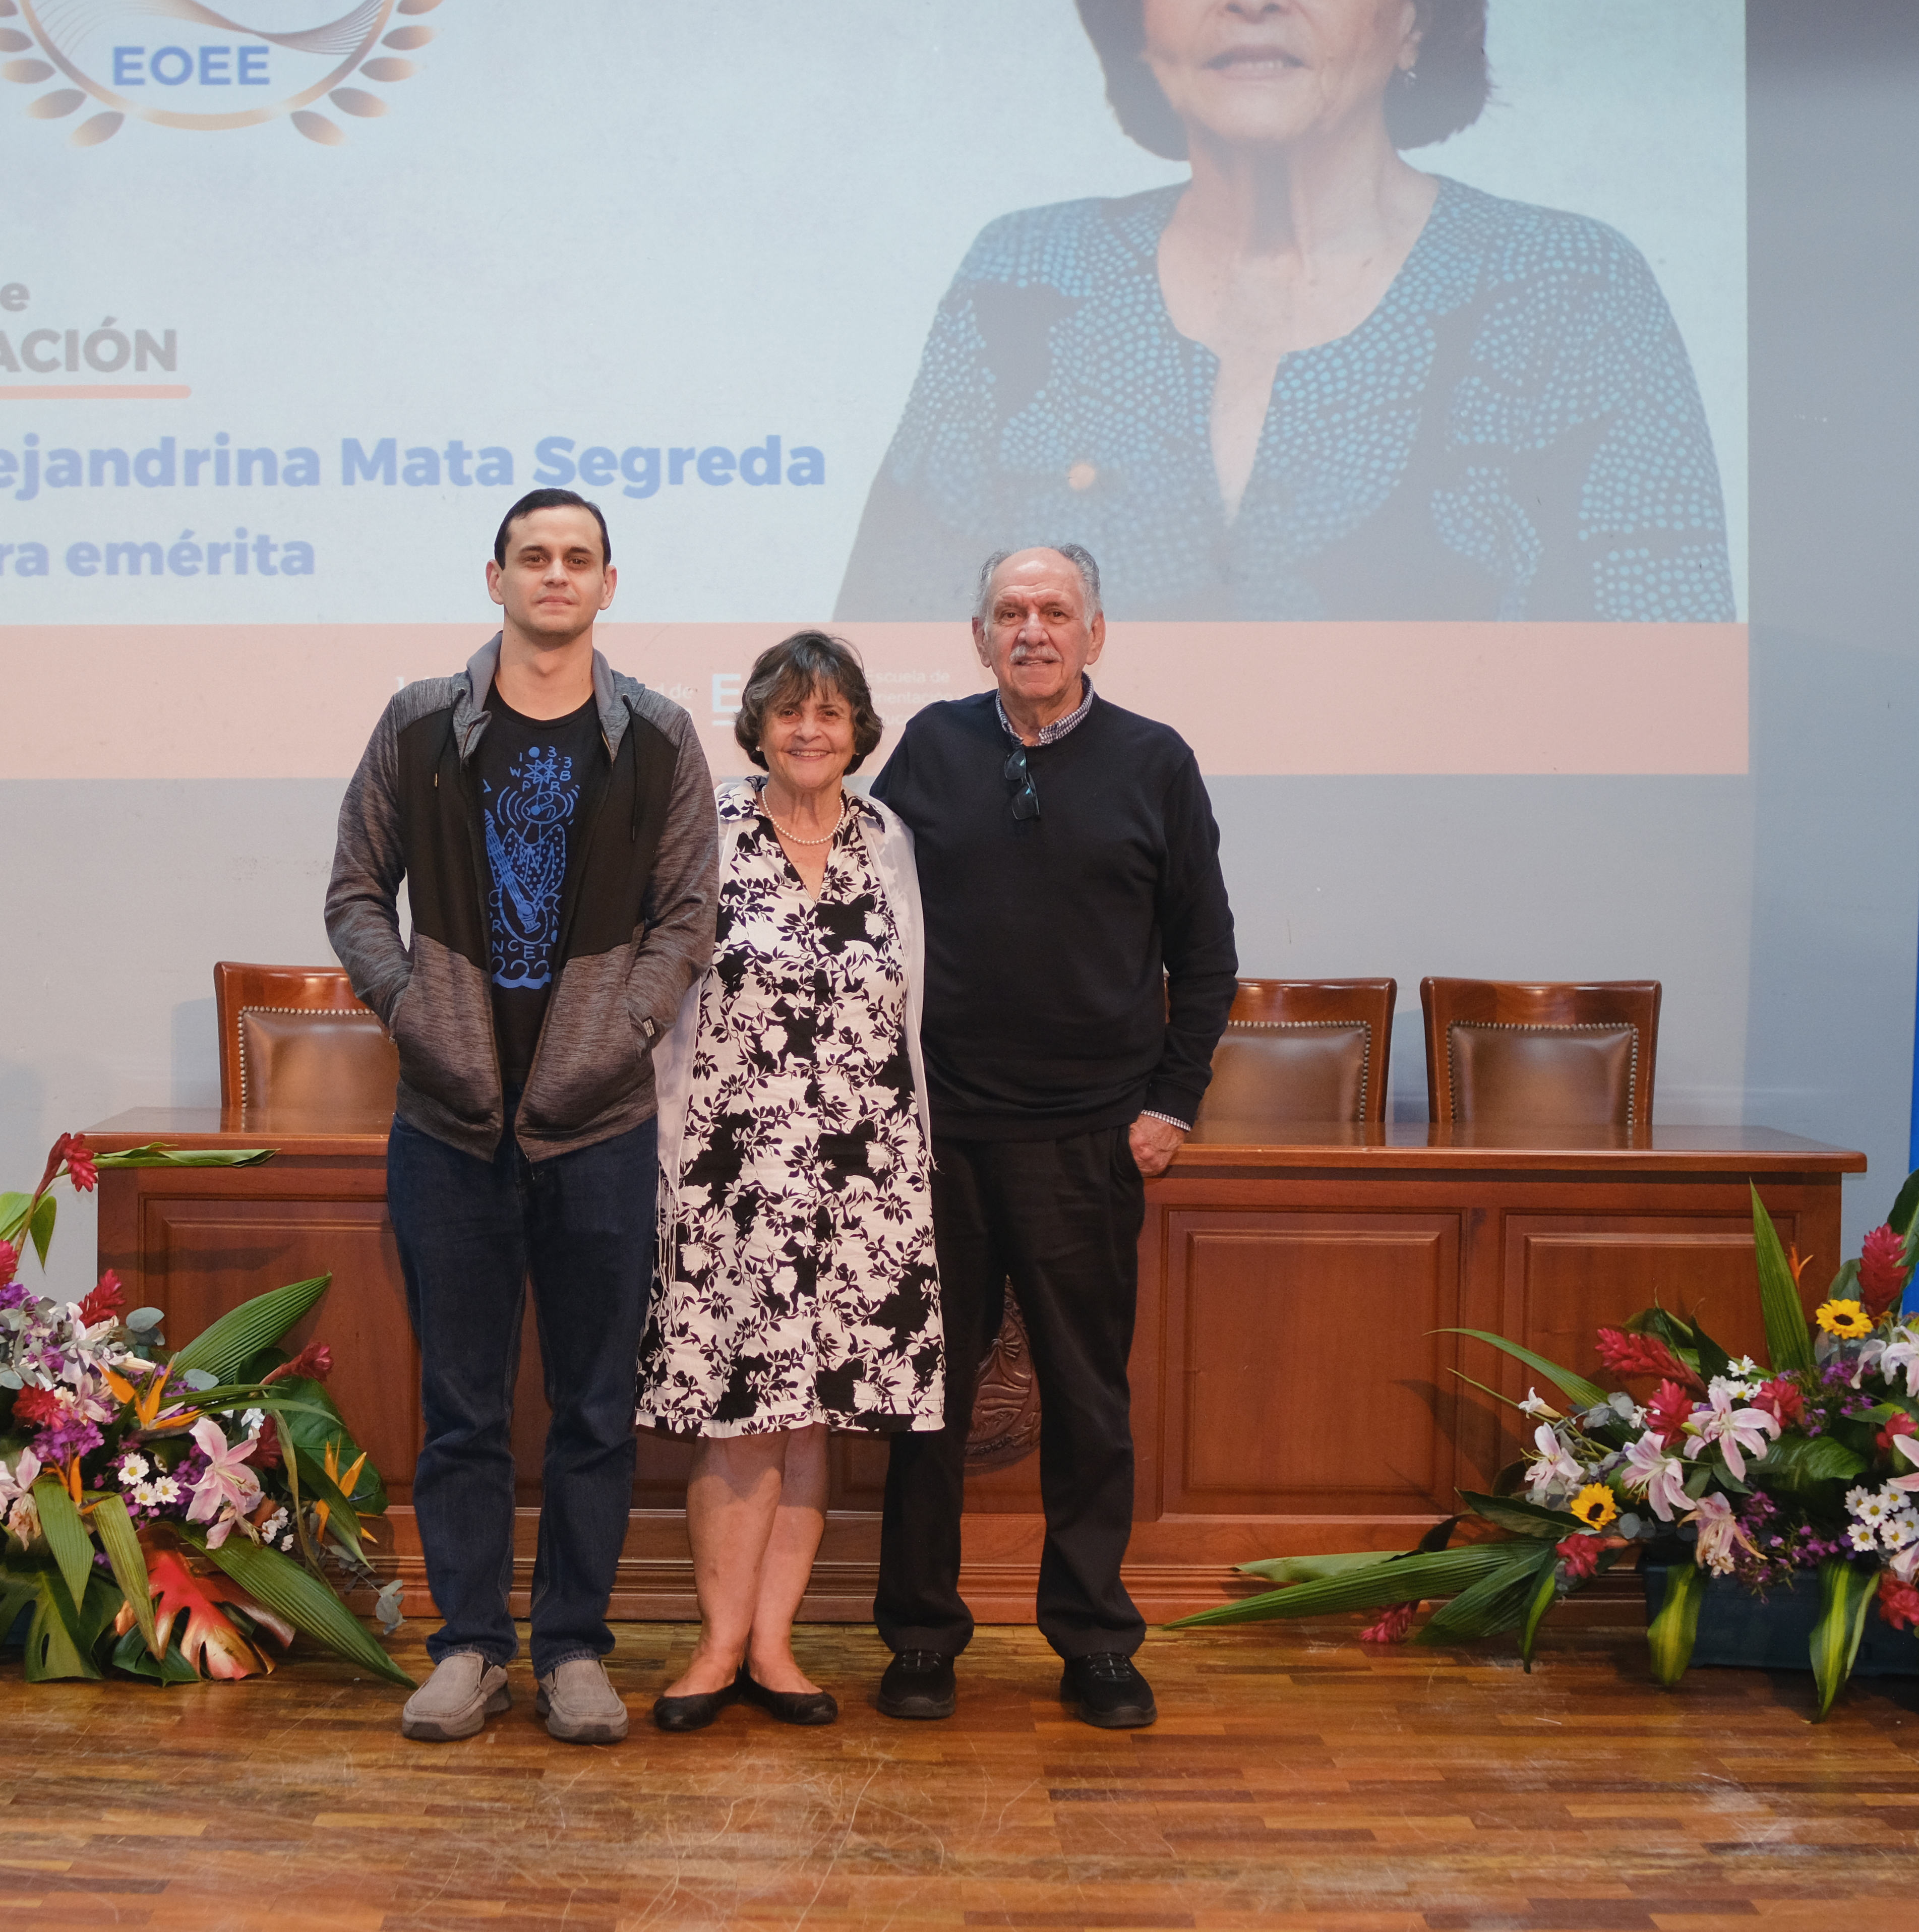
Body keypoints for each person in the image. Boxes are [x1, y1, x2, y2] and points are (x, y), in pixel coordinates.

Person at [834, 0, 1733, 624]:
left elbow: (1674, 708)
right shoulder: (1023, 278)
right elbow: (876, 690)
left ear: (1416, 14)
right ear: (1139, 12)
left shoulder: (1570, 290)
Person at [324, 487, 716, 1745]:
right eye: (533, 557)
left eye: (578, 558)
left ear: (609, 583)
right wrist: (412, 1017)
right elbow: (351, 896)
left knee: (596, 1405)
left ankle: (574, 1653)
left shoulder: (655, 736)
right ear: (492, 576)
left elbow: (684, 923)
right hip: (446, 1124)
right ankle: (468, 1647)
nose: (555, 575)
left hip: (596, 1124)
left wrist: (617, 1036)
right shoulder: (419, 722)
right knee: (463, 1405)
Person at [867, 542, 1236, 1730]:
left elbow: (1205, 952)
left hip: (1088, 1140)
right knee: (923, 1400)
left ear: (1094, 633)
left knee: (1088, 1402)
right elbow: (870, 922)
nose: (1032, 629)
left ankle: (1092, 1640)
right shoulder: (929, 745)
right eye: (1010, 612)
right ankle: (920, 1637)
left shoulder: (1152, 760)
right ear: (979, 637)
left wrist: (1169, 1104)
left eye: (1055, 611)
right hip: (939, 1139)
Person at [636, 631, 941, 1732]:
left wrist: (911, 1165)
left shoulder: (888, 837)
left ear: (860, 729)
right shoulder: (704, 832)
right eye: (787, 712)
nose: (809, 730)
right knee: (737, 1415)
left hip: (865, 1183)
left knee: (810, 1420)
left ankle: (774, 1646)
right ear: (754, 724)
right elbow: (661, 1001)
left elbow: (907, 1011)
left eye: (830, 713)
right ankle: (715, 1648)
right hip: (729, 1175)